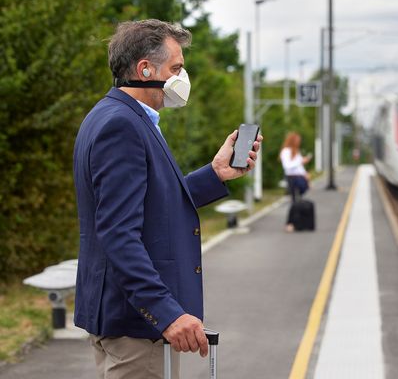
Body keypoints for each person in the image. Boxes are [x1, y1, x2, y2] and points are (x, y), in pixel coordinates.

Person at [72, 19, 262, 379]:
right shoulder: (122, 126)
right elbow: (118, 233)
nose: (182, 77)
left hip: (126, 320)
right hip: (136, 329)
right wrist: (166, 312)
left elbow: (152, 203)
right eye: (176, 68)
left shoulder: (116, 116)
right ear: (145, 69)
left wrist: (215, 174)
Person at [279, 132, 312, 232]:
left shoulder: (296, 151)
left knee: (298, 201)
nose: (299, 142)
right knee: (294, 201)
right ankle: (290, 223)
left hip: (299, 178)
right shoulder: (285, 151)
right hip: (292, 178)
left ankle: (298, 222)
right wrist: (301, 161)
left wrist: (305, 175)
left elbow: (299, 167)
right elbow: (287, 166)